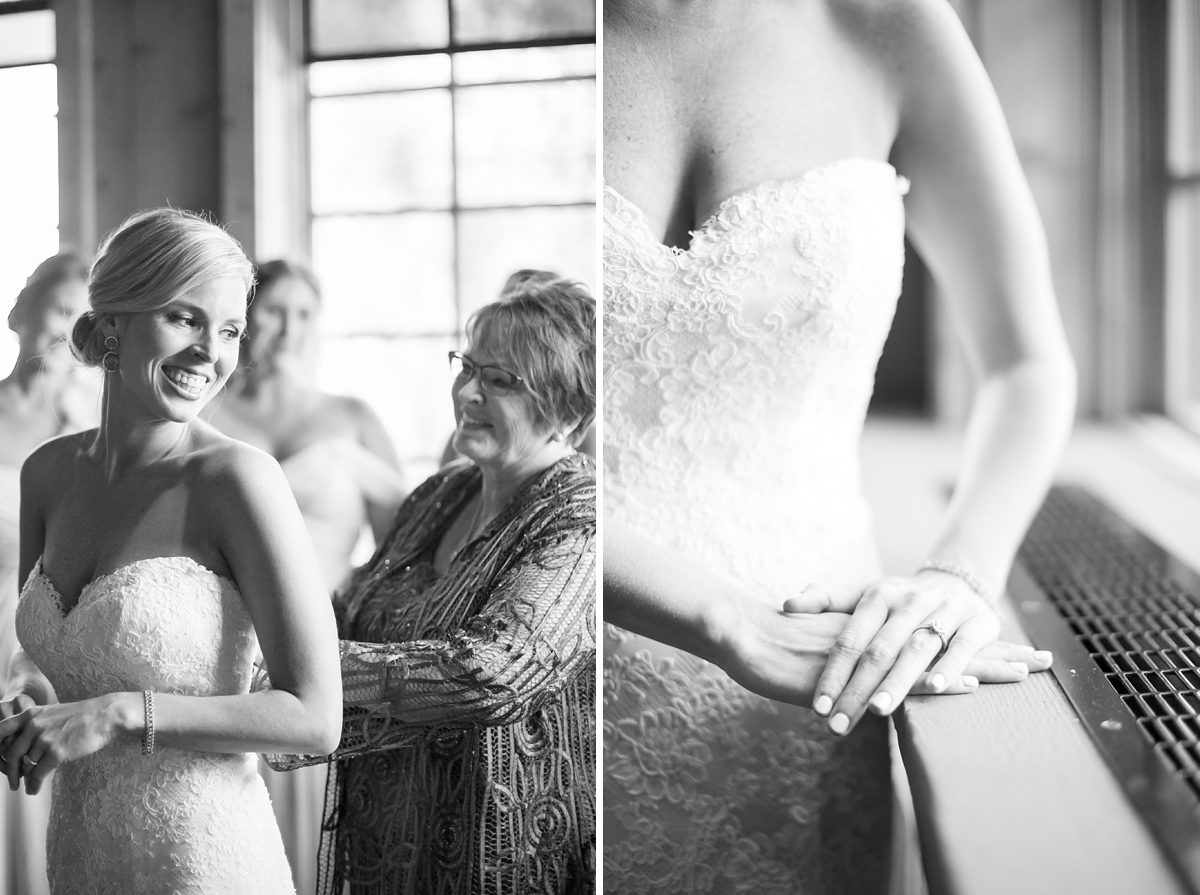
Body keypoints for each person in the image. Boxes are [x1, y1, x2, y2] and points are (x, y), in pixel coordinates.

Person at [602, 0, 1077, 891]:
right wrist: (726, 618)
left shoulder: (887, 21)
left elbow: (1028, 365)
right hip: (566, 654)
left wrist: (958, 574)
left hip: (822, 686)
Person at [0, 207, 342, 894]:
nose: (210, 353)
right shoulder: (46, 474)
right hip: (79, 856)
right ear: (109, 328)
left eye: (230, 330)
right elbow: (50, 658)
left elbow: (313, 717)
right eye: (184, 318)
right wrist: (24, 695)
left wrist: (119, 711)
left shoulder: (240, 481)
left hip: (204, 862)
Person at [268, 272, 596, 894]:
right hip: (385, 836)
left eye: (499, 381)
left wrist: (317, 668)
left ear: (569, 411)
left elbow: (492, 672)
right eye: (467, 368)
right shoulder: (439, 494)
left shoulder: (580, 518)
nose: (469, 393)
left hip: (501, 844)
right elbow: (358, 606)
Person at [207, 259, 405, 895]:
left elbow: (406, 550)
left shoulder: (351, 418)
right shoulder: (206, 419)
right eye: (273, 310)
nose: (289, 328)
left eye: (304, 315)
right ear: (244, 317)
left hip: (326, 643)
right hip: (222, 652)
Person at [0, 253, 95, 895]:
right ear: (16, 314)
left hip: (48, 640)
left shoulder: (92, 437)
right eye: (60, 309)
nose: (69, 331)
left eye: (84, 320)